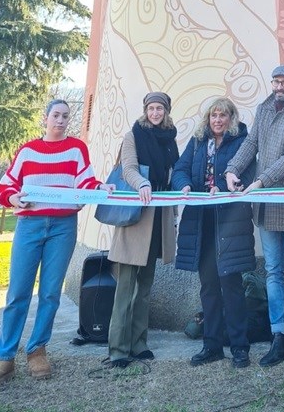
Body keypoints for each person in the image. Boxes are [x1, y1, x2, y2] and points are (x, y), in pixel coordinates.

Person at [0, 99, 112, 387]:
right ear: (45, 118)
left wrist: (100, 188)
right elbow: (6, 186)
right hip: (29, 226)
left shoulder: (77, 149)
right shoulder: (28, 150)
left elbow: (86, 183)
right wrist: (14, 198)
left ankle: (37, 350)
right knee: (18, 292)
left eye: (66, 116)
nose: (61, 120)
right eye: (56, 115)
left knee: (51, 293)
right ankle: (5, 357)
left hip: (63, 228)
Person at [225, 64, 284, 370]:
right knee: (273, 272)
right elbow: (251, 144)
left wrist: (261, 180)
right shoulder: (263, 109)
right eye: (276, 80)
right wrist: (232, 169)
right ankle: (279, 337)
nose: (280, 86)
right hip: (264, 207)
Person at [171, 97, 255, 368]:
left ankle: (240, 347)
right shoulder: (197, 143)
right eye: (213, 115)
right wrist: (184, 185)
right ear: (208, 119)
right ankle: (212, 345)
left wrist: (221, 185)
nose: (218, 120)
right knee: (208, 286)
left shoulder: (241, 142)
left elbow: (247, 172)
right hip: (201, 223)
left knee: (231, 284)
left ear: (231, 118)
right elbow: (181, 169)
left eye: (223, 115)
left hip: (230, 222)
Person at [106, 92, 179, 368]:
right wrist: (143, 185)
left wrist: (173, 214)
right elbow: (128, 169)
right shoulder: (132, 136)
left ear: (166, 111)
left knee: (145, 286)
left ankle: (139, 343)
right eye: (151, 107)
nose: (156, 112)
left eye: (160, 108)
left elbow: (173, 176)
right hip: (135, 215)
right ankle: (118, 349)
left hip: (158, 217)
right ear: (145, 110)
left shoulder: (170, 139)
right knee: (125, 286)